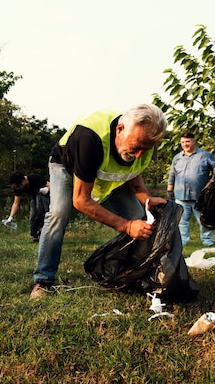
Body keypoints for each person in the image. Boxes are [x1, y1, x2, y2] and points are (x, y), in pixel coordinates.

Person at [31, 104, 168, 299]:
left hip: (107, 177)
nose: (139, 155)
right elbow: (81, 201)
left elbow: (131, 172)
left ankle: (133, 274)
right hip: (67, 166)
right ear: (120, 129)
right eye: (136, 147)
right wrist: (127, 226)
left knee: (139, 217)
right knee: (58, 214)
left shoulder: (143, 143)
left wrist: (146, 199)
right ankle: (43, 280)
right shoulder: (90, 138)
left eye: (145, 150)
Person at [166, 132, 215, 247]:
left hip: (200, 196)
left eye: (187, 141)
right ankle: (182, 241)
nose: (185, 144)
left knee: (204, 220)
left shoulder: (205, 155)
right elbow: (172, 174)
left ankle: (207, 241)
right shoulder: (177, 158)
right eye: (182, 142)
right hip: (181, 195)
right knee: (182, 221)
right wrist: (169, 189)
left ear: (193, 141)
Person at [5, 171, 50, 242]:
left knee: (41, 211)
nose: (18, 188)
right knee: (33, 215)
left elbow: (51, 185)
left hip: (44, 195)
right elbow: (16, 203)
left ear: (23, 181)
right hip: (34, 197)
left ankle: (44, 232)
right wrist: (10, 218)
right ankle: (34, 234)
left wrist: (47, 189)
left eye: (18, 186)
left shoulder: (35, 178)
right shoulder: (18, 188)